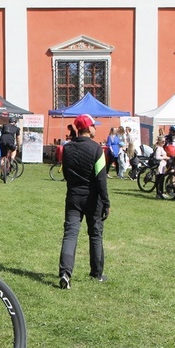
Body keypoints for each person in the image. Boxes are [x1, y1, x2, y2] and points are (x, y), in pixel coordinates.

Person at [58, 114, 110, 289]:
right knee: (95, 235)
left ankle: (65, 273)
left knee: (70, 234)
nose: (96, 128)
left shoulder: (67, 148)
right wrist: (106, 202)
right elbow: (101, 179)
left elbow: (65, 174)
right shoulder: (97, 149)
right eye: (94, 126)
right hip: (93, 198)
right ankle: (97, 273)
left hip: (73, 196)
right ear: (88, 128)